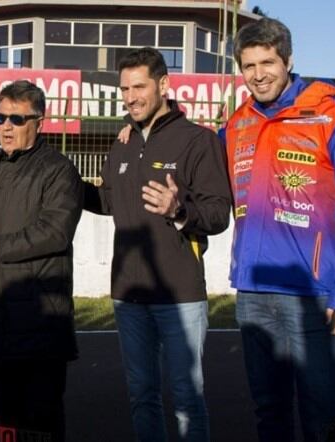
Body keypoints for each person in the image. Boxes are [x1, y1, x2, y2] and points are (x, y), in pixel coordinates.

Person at [221, 18, 335, 441]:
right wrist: (144, 129)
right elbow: (198, 164)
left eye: (268, 62)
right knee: (268, 412)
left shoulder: (331, 114)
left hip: (314, 294)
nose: (258, 74)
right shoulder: (237, 123)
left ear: (289, 60)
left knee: (322, 415)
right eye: (249, 65)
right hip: (253, 292)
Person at [87, 47, 231, 442]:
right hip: (128, 294)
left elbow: (218, 214)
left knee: (187, 397)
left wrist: (178, 209)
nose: (130, 97)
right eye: (124, 89)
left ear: (164, 85)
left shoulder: (198, 141)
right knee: (141, 395)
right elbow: (110, 201)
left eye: (139, 87)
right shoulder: (123, 141)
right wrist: (66, 187)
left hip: (179, 295)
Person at [0, 80, 84, 441]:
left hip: (40, 320)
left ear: (39, 121)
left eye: (16, 118)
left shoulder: (59, 170)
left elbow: (53, 232)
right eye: (0, 117)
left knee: (41, 422)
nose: (6, 127)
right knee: (7, 418)